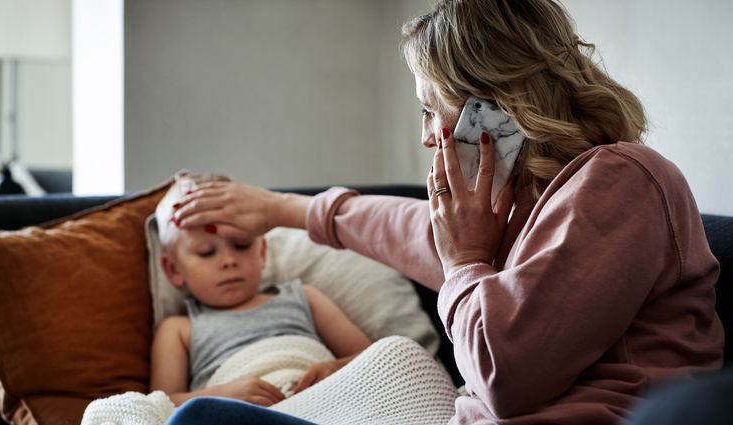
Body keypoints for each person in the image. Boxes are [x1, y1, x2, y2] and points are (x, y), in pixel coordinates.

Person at [168, 0, 724, 424]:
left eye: (434, 109)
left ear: (499, 103)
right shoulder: (525, 200)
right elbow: (408, 231)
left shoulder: (622, 180)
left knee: (201, 420)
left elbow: (508, 378)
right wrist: (280, 209)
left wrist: (466, 260)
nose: (428, 137)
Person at [150, 173, 371, 408]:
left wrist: (334, 369)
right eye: (206, 252)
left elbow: (375, 357)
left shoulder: (304, 297)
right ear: (173, 269)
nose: (228, 260)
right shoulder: (178, 329)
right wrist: (219, 396)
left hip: (325, 403)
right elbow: (158, 406)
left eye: (242, 245)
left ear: (262, 252)